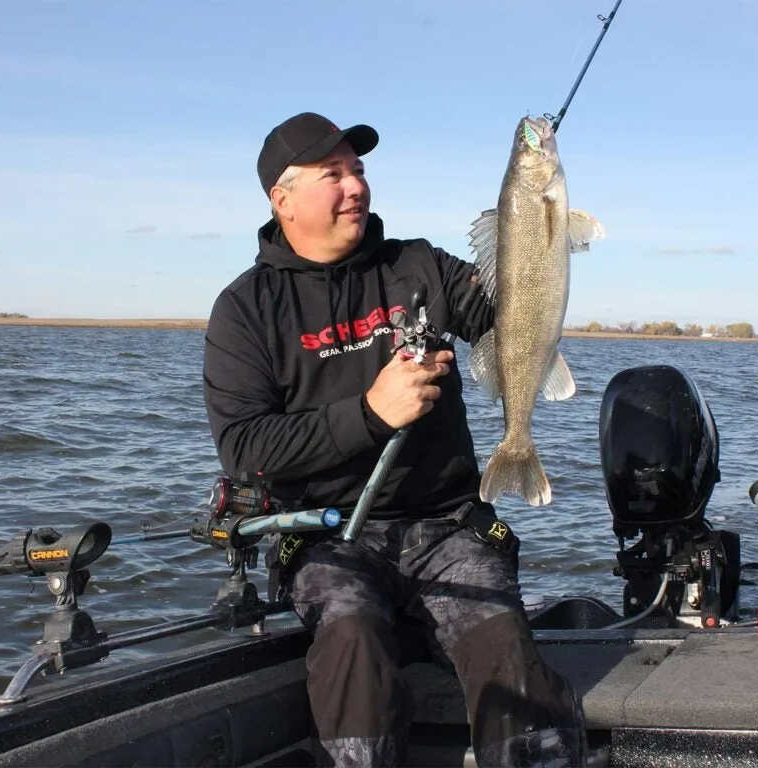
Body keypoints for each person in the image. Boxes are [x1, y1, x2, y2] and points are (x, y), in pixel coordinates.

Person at [203, 111, 587, 767]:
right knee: (352, 641)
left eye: (358, 170)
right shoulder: (245, 310)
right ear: (282, 198)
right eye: (333, 174)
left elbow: (507, 314)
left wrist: (532, 233)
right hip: (332, 537)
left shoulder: (420, 266)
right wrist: (373, 413)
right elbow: (246, 449)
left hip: (446, 527)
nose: (354, 185)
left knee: (508, 654)